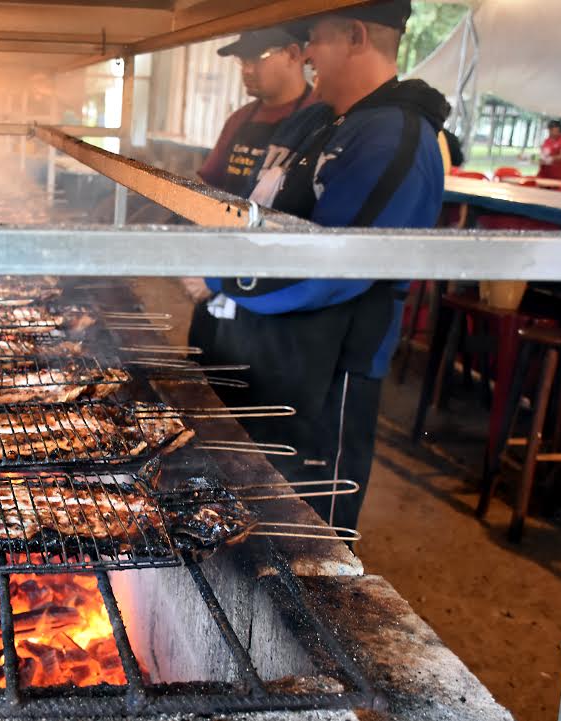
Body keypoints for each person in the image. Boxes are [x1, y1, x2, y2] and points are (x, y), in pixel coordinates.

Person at [189, 0, 449, 532]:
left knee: (305, 535)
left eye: (316, 39)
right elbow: (258, 214)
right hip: (262, 343)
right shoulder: (317, 119)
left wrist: (221, 277)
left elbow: (337, 264)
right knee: (235, 511)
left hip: (326, 373)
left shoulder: (397, 136)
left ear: (355, 36)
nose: (305, 54)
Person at [198, 28, 315, 198]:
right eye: (243, 60)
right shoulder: (238, 119)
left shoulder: (321, 120)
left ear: (293, 54)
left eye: (256, 58)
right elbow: (208, 185)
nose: (247, 70)